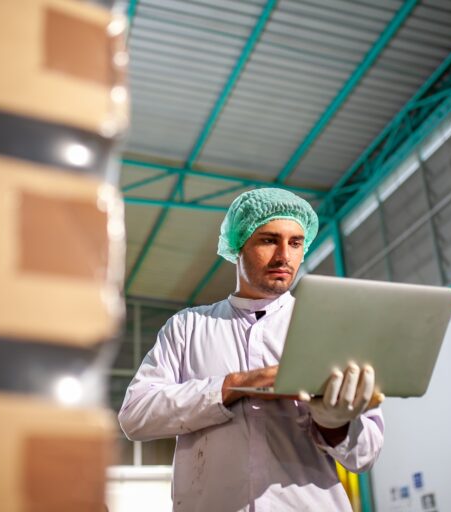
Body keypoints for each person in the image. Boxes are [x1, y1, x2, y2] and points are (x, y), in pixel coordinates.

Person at [118, 188, 384, 512]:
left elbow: (366, 455)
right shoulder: (188, 327)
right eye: (269, 240)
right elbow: (135, 416)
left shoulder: (328, 329)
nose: (284, 256)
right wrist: (236, 385)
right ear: (237, 245)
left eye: (296, 242)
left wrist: (336, 424)